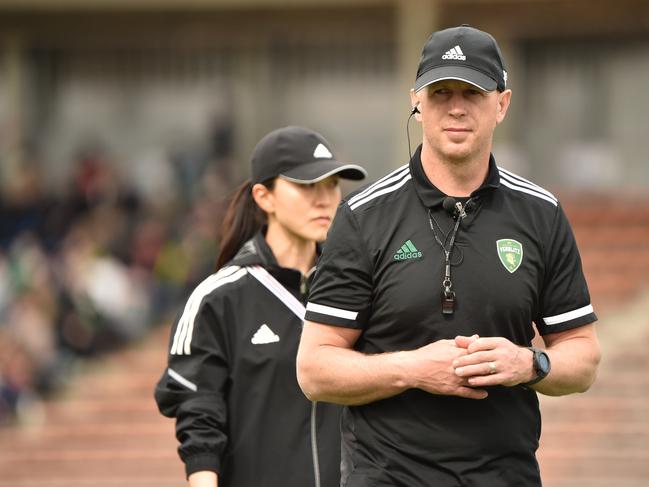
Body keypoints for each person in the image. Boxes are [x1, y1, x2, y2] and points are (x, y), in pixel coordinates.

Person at [296, 25, 601, 487]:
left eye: (472, 92)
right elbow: (315, 369)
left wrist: (529, 364)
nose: (456, 107)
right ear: (416, 101)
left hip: (506, 475)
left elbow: (583, 357)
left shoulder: (541, 214)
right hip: (385, 476)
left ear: (502, 104)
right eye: (441, 92)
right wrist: (415, 369)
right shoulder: (363, 216)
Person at [154, 125, 367, 487]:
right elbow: (199, 416)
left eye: (331, 185)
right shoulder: (216, 299)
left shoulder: (359, 288)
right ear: (264, 197)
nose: (324, 199)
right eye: (305, 185)